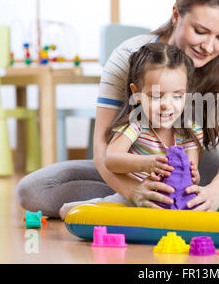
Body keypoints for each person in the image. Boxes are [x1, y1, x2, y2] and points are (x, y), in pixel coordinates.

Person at [17, 0, 219, 218]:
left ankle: (168, 200)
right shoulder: (130, 56)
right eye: (200, 31)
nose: (209, 47)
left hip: (193, 168)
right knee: (34, 190)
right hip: (130, 160)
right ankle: (123, 198)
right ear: (176, 14)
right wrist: (135, 191)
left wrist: (216, 192)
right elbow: (103, 147)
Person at [58, 42, 204, 219]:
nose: (167, 104)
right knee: (87, 211)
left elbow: (190, 175)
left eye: (177, 96)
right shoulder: (136, 124)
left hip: (174, 202)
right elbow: (111, 159)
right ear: (136, 93)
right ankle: (80, 210)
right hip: (136, 197)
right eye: (156, 96)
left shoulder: (189, 130)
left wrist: (193, 175)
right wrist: (147, 163)